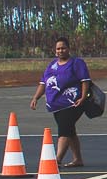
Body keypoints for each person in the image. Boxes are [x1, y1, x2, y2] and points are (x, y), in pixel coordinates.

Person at [29, 35, 93, 169]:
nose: (60, 51)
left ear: (68, 49)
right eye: (58, 49)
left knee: (64, 130)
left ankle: (57, 160)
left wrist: (82, 97)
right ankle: (77, 159)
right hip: (56, 105)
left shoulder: (76, 63)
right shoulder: (51, 66)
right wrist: (36, 97)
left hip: (73, 103)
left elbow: (85, 81)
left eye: (63, 48)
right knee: (70, 131)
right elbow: (43, 83)